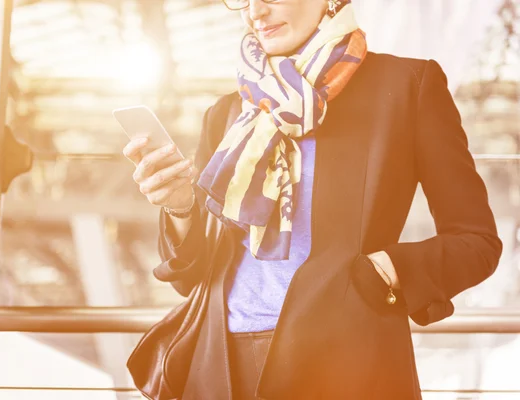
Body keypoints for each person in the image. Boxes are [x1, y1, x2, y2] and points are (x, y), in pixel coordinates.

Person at [122, 0, 503, 398]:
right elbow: (190, 277)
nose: (255, 12)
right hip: (218, 364)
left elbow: (476, 243)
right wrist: (180, 205)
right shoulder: (228, 112)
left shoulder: (406, 85)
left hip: (343, 361)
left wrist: (386, 270)